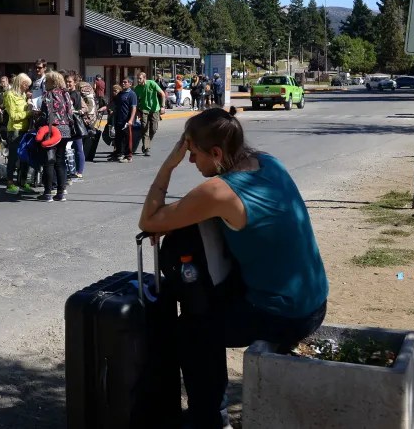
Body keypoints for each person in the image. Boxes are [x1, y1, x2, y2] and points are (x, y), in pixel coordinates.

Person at [138, 107, 328, 429]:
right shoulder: (268, 162)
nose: (189, 161)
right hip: (314, 300)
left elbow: (149, 220)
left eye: (193, 153)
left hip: (284, 315)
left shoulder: (218, 191)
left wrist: (168, 164)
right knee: (210, 310)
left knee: (193, 331)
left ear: (216, 152)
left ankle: (210, 420)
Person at [37, 71, 74, 202]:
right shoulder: (66, 94)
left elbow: (45, 115)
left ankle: (47, 193)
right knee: (60, 160)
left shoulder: (48, 95)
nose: (45, 84)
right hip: (65, 130)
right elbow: (70, 113)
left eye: (46, 81)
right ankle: (61, 192)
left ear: (52, 82)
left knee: (49, 161)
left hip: (52, 130)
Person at [3, 73, 34, 194]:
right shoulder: (10, 95)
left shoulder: (22, 95)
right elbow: (14, 115)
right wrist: (28, 113)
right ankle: (10, 183)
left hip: (24, 129)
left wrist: (29, 104)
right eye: (26, 85)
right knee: (13, 157)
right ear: (21, 83)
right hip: (15, 130)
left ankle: (23, 181)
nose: (27, 87)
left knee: (25, 156)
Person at [133, 72, 166, 157]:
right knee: (144, 128)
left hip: (155, 109)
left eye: (140, 78)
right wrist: (137, 112)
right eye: (137, 78)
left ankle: (147, 143)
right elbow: (135, 102)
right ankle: (146, 148)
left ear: (144, 78)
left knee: (154, 129)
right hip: (143, 110)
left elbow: (162, 94)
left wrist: (163, 106)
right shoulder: (137, 88)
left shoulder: (151, 83)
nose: (138, 80)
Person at [107, 77, 138, 162]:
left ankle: (128, 157)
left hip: (127, 121)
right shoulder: (120, 94)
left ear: (130, 84)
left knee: (127, 139)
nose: (123, 83)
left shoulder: (132, 94)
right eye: (123, 82)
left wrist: (131, 120)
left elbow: (134, 108)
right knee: (118, 138)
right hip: (119, 120)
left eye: (125, 82)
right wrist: (105, 108)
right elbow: (114, 104)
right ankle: (119, 154)